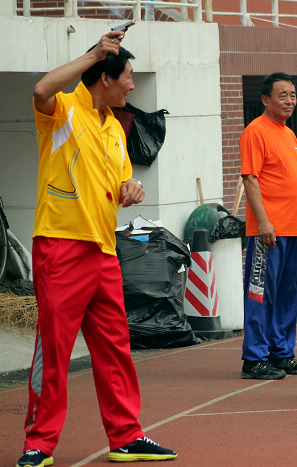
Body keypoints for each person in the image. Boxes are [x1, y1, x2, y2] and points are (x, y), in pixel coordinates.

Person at [18, 31, 177, 467]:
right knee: (53, 351)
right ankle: (39, 444)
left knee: (115, 350)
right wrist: (92, 53)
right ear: (104, 78)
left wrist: (134, 187)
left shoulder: (114, 128)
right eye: (126, 77)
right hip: (60, 248)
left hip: (104, 252)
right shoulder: (63, 110)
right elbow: (40, 89)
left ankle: (126, 436)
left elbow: (125, 180)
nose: (131, 85)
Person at [239, 72, 297, 380]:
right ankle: (254, 358)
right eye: (282, 95)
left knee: (288, 294)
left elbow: (294, 184)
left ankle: (282, 353)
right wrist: (264, 221)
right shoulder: (255, 131)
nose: (289, 100)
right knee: (261, 294)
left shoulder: (289, 134)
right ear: (266, 99)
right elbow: (250, 179)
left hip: (293, 229)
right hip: (267, 232)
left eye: (293, 95)